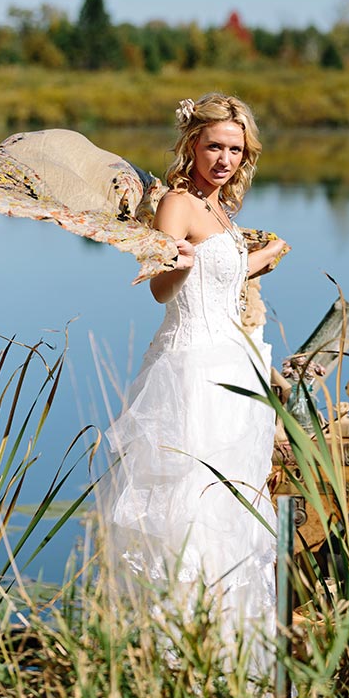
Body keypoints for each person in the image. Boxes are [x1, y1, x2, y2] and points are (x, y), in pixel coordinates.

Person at [99, 90, 280, 666]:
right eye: (214, 146)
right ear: (192, 144)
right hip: (191, 370)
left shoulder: (221, 208)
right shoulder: (177, 203)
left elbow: (219, 277)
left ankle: (230, 650)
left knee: (233, 506)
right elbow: (162, 288)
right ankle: (184, 648)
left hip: (235, 366)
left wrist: (259, 259)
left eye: (235, 149)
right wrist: (172, 265)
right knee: (190, 507)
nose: (224, 158)